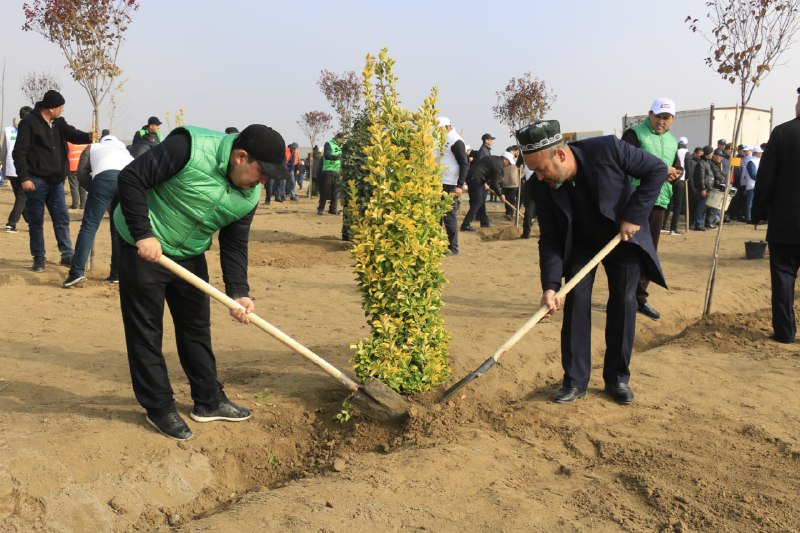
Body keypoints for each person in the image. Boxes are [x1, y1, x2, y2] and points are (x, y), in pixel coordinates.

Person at [114, 123, 289, 440]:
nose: (263, 182)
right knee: (146, 330)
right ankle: (159, 406)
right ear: (240, 157)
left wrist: (239, 292)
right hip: (144, 247)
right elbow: (130, 178)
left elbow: (234, 243)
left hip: (189, 253)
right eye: (261, 172)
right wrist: (143, 234)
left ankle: (208, 400)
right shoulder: (188, 148)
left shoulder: (250, 196)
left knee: (196, 326)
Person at [515, 119, 666, 405]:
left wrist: (634, 215)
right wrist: (549, 286)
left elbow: (656, 170)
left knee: (623, 302)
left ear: (559, 155)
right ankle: (575, 381)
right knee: (576, 302)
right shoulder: (539, 185)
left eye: (541, 168)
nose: (539, 176)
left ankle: (617, 378)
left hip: (621, 237)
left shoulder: (607, 149)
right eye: (533, 170)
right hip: (581, 244)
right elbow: (550, 239)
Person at [12, 90, 93, 272]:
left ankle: (67, 254)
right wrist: (24, 178)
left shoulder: (59, 123)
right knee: (36, 221)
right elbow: (19, 152)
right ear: (51, 108)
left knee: (62, 219)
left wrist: (89, 136)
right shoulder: (29, 123)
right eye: (60, 107)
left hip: (56, 182)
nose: (62, 110)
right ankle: (39, 258)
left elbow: (72, 134)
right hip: (35, 180)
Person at [621, 98, 681, 321]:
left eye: (667, 118)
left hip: (660, 201)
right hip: (635, 200)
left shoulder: (673, 141)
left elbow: (677, 166)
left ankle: (639, 299)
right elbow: (624, 163)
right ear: (650, 114)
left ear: (673, 119)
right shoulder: (635, 134)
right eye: (658, 117)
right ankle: (622, 297)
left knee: (649, 252)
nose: (662, 122)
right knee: (629, 250)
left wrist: (676, 173)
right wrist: (656, 172)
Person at [751, 87, 800, 344]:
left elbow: (765, 179)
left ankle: (784, 332)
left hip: (785, 224)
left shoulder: (782, 133)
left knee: (783, 278)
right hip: (785, 223)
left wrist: (758, 213)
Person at [62, 134, 134, 287]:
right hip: (128, 182)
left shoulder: (93, 147)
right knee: (119, 230)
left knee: (89, 227)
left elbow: (81, 174)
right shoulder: (125, 151)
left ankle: (77, 272)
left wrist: (96, 192)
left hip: (104, 180)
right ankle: (116, 274)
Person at [436, 117, 469, 255]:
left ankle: (453, 248)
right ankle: (436, 245)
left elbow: (464, 163)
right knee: (437, 215)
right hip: (439, 182)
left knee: (449, 216)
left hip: (450, 184)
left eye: (438, 129)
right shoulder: (441, 140)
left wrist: (460, 185)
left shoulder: (456, 141)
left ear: (445, 127)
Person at [459, 152, 512, 231]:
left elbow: (483, 169)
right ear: (505, 159)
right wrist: (501, 195)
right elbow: (494, 184)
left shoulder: (494, 158)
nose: (509, 165)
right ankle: (465, 225)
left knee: (481, 200)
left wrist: (484, 182)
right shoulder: (499, 166)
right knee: (478, 201)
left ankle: (484, 222)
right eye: (509, 163)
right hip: (475, 179)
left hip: (474, 177)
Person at [2, 106, 33, 233]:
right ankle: (11, 223)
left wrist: (4, 168)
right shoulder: (30, 129)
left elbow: (3, 151)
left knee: (21, 198)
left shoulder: (7, 130)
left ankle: (30, 222)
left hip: (10, 168)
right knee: (22, 197)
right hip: (23, 169)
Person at [663, 136, 689, 235]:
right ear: (686, 144)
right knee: (677, 206)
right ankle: (673, 228)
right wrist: (687, 178)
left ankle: (663, 225)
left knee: (668, 204)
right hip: (680, 180)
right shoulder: (686, 152)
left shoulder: (673, 151)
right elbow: (688, 167)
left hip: (670, 179)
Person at [318, 132, 344, 215]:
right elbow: (326, 155)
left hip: (337, 171)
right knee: (325, 190)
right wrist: (337, 157)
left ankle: (333, 209)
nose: (340, 140)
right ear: (336, 137)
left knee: (335, 191)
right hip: (328, 170)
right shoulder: (328, 144)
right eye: (339, 138)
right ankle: (321, 208)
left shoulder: (341, 146)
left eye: (342, 138)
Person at [692, 146, 715, 231]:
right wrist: (703, 189)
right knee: (700, 207)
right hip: (703, 189)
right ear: (708, 153)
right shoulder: (701, 163)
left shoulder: (707, 162)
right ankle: (698, 224)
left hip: (708, 188)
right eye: (711, 153)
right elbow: (700, 177)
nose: (712, 154)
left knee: (704, 207)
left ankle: (701, 223)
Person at [66, 141, 89, 209]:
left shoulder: (69, 143)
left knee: (74, 186)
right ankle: (83, 204)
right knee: (82, 186)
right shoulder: (85, 144)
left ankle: (75, 204)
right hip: (83, 167)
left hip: (72, 167)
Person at [743, 145, 762, 223]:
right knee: (750, 202)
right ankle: (749, 218)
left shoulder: (758, 160)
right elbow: (753, 174)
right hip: (752, 184)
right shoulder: (751, 161)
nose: (761, 154)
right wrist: (761, 179)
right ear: (755, 153)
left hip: (757, 184)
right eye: (759, 153)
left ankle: (753, 217)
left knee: (754, 202)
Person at [502, 145, 521, 220]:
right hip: (505, 183)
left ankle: (511, 213)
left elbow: (522, 170)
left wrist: (518, 177)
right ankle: (508, 213)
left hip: (514, 184)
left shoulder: (517, 160)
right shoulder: (505, 160)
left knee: (512, 198)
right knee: (507, 199)